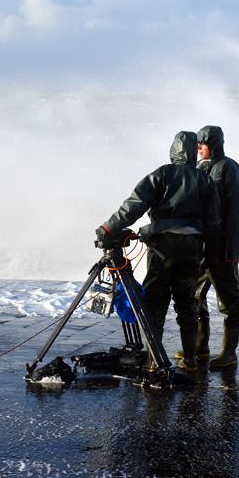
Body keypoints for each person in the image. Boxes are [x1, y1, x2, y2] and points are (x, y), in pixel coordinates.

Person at [96, 131, 219, 372]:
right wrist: (210, 254)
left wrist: (108, 226)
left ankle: (154, 361)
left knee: (155, 303)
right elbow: (214, 222)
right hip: (192, 249)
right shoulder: (205, 180)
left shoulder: (163, 173)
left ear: (174, 149)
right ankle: (190, 359)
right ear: (194, 151)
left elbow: (135, 204)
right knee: (187, 304)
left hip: (163, 247)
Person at [189, 125, 239, 369]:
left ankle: (229, 353)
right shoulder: (202, 168)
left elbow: (237, 212)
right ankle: (200, 348)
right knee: (194, 297)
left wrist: (230, 251)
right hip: (203, 249)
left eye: (201, 144)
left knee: (230, 302)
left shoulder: (229, 169)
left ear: (211, 144)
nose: (198, 149)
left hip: (222, 250)